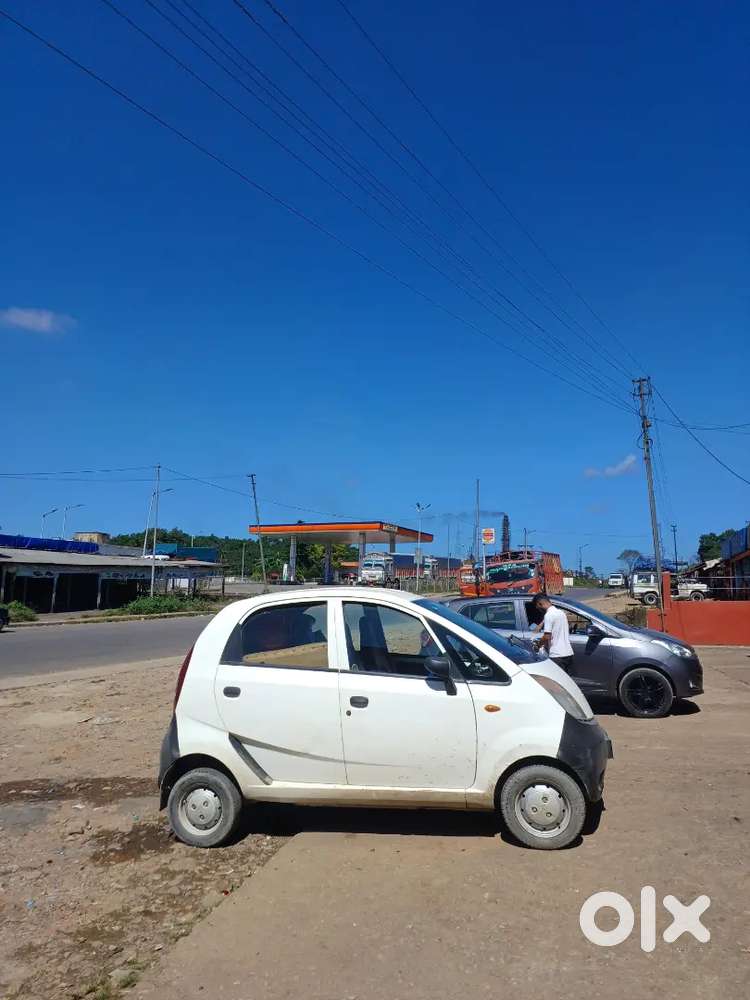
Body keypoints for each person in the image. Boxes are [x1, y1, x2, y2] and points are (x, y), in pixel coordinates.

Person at [532, 594, 574, 672]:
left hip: (557, 656)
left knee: (557, 678)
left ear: (539, 604)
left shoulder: (548, 615)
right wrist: (541, 624)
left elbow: (547, 636)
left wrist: (538, 645)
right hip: (568, 653)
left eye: (537, 607)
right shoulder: (561, 613)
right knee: (566, 678)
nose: (538, 610)